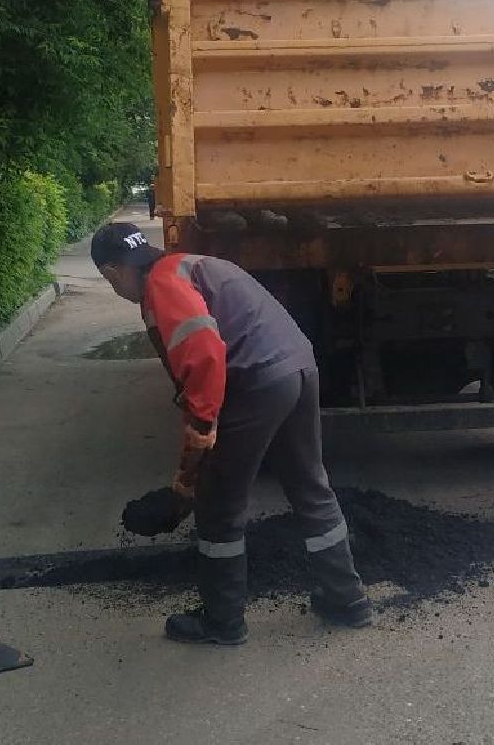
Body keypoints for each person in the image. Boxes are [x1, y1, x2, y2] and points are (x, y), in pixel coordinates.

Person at [91, 221, 370, 645]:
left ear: (113, 272)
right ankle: (347, 599)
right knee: (311, 486)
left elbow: (204, 359)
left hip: (256, 381)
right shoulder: (194, 264)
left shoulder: (163, 284)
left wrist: (191, 468)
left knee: (219, 504)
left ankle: (221, 621)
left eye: (111, 282)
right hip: (297, 366)